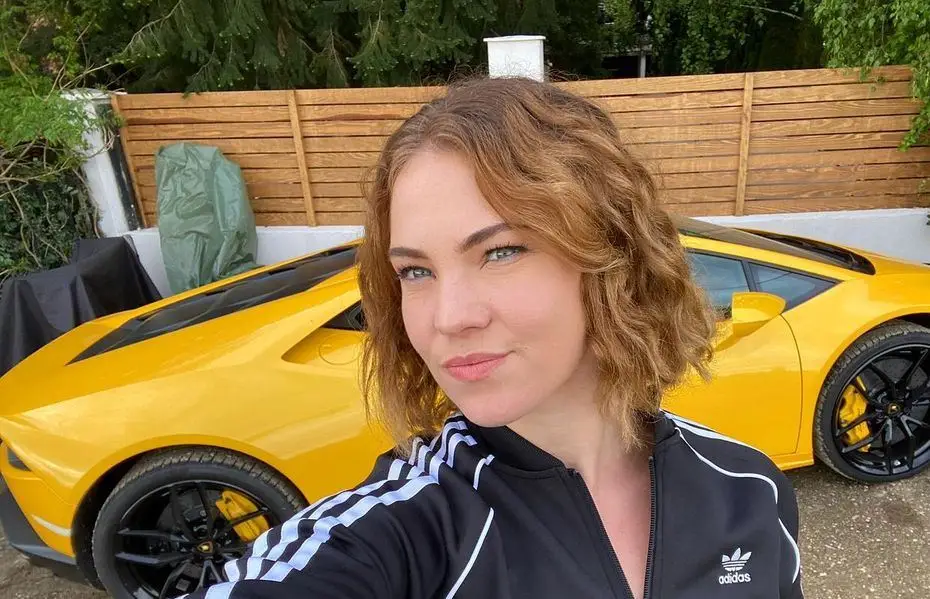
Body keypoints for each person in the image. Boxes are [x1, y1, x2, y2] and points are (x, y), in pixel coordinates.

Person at [183, 77, 803, 599]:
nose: (449, 317)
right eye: (416, 272)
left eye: (501, 252)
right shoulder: (402, 534)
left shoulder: (748, 490)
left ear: (612, 257)